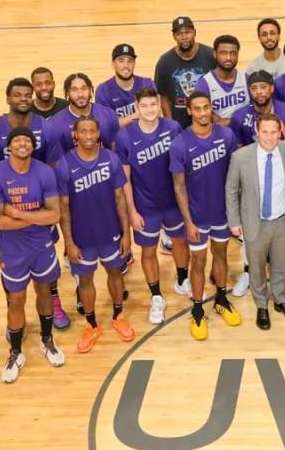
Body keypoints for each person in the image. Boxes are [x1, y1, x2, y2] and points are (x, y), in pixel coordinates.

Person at [0, 126, 65, 383]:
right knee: (16, 299)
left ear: (32, 147)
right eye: (17, 140)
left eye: (27, 141)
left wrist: (17, 214)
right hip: (13, 249)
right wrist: (36, 218)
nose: (22, 144)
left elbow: (54, 215)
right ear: (10, 146)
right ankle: (15, 351)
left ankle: (47, 340)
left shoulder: (44, 172)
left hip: (41, 246)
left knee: (44, 292)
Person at [230, 70, 285, 293]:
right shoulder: (239, 117)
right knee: (252, 232)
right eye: (254, 88)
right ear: (249, 91)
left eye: (263, 87)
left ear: (271, 88)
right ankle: (249, 272)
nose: (259, 92)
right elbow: (238, 153)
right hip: (256, 188)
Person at [55, 116, 136, 354]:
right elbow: (63, 208)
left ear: (98, 134)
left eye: (93, 131)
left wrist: (126, 234)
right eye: (84, 132)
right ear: (75, 135)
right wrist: (69, 242)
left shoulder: (111, 159)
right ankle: (91, 325)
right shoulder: (64, 165)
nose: (89, 136)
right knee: (86, 281)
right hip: (82, 238)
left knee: (115, 274)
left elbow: (120, 199)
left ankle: (118, 315)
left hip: (110, 233)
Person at [170, 91, 242, 340]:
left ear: (212, 108)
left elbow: (235, 174)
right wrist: (188, 221)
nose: (202, 113)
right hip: (198, 216)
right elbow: (178, 185)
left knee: (221, 255)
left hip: (222, 212)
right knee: (198, 262)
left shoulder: (226, 135)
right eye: (197, 108)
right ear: (189, 111)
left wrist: (236, 211)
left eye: (206, 107)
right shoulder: (180, 143)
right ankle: (198, 309)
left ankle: (221, 298)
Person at [115, 88, 190, 324]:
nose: (149, 110)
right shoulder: (125, 137)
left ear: (159, 106)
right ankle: (156, 295)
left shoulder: (173, 128)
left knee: (180, 241)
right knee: (148, 252)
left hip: (172, 203)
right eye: (144, 106)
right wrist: (132, 211)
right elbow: (124, 178)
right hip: (146, 207)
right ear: (136, 109)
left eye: (153, 105)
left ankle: (182, 280)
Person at [225, 113, 285, 330]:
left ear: (280, 133)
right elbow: (231, 190)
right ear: (257, 133)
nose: (269, 137)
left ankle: (280, 300)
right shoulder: (240, 157)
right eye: (265, 132)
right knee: (256, 267)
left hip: (282, 220)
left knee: (279, 263)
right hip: (254, 221)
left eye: (273, 132)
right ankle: (261, 304)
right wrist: (234, 220)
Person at [0, 78, 61, 170]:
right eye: (17, 95)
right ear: (8, 100)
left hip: (39, 183)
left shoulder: (46, 128)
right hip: (7, 183)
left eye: (28, 96)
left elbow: (53, 167)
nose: (23, 99)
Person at [154, 16, 216, 130]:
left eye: (187, 32)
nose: (184, 37)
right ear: (174, 36)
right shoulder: (165, 61)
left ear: (195, 33)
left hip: (208, 120)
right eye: (179, 34)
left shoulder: (210, 55)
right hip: (180, 124)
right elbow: (164, 97)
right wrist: (171, 124)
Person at [46, 72, 120, 151]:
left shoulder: (108, 115)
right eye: (74, 90)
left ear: (90, 90)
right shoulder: (55, 124)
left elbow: (115, 148)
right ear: (67, 93)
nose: (80, 94)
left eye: (84, 88)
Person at [95, 44, 158, 128]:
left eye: (130, 61)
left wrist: (123, 121)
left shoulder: (147, 84)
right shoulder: (103, 91)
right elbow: (107, 126)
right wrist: (136, 116)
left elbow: (157, 115)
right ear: (113, 64)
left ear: (134, 64)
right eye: (121, 61)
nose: (126, 65)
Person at [194, 34, 249, 126]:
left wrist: (233, 121)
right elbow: (202, 113)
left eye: (233, 53)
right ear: (215, 54)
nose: (228, 58)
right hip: (219, 134)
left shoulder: (246, 79)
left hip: (245, 131)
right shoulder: (204, 84)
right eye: (223, 53)